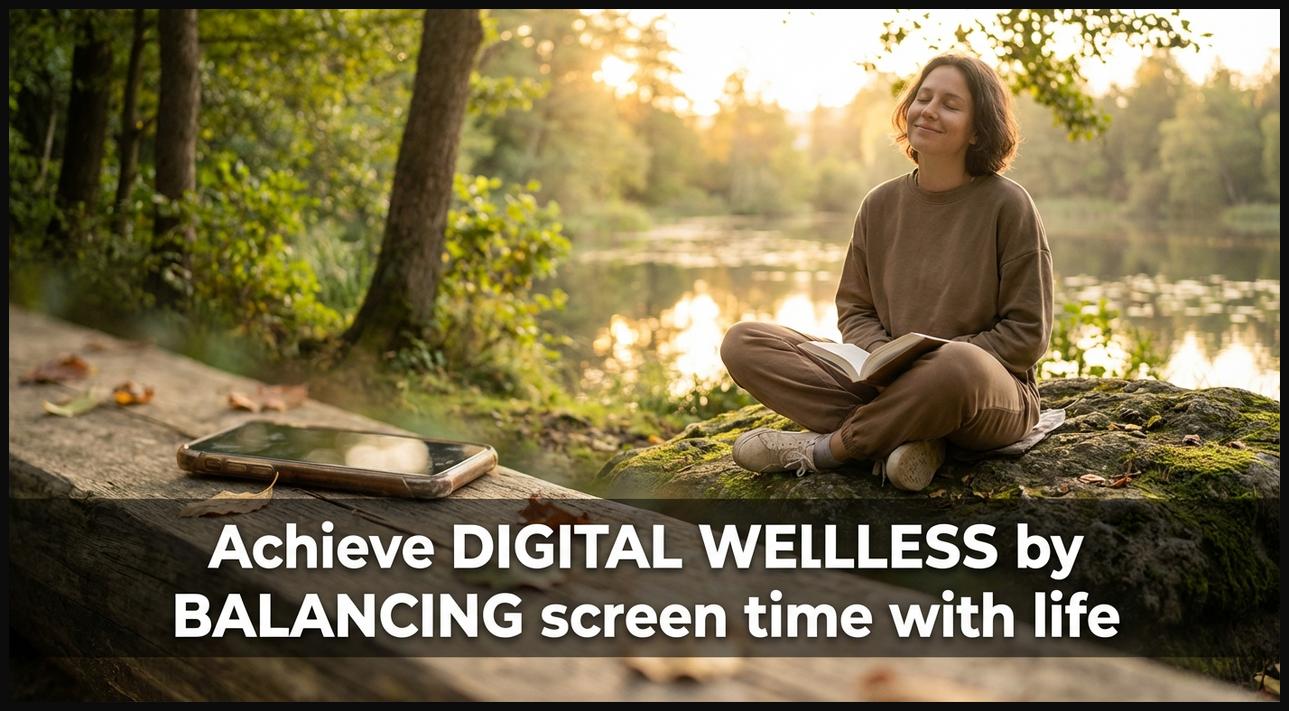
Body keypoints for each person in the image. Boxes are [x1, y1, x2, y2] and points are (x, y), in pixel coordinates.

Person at [720, 53, 1053, 491]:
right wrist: (883, 357)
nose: (929, 110)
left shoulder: (1009, 205)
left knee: (956, 365)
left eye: (950, 104)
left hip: (981, 389)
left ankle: (829, 450)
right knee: (745, 341)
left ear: (977, 131)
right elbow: (854, 310)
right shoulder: (879, 204)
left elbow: (1026, 334)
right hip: (886, 382)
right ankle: (917, 438)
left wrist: (926, 364)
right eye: (923, 97)